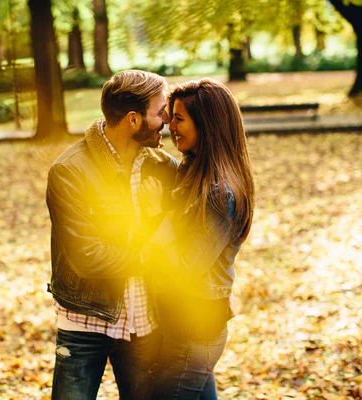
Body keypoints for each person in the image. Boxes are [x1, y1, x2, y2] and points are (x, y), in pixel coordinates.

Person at [45, 70, 178, 400]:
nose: (167, 119)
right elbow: (87, 257)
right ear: (133, 120)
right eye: (160, 110)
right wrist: (152, 251)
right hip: (84, 320)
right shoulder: (70, 171)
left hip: (145, 321)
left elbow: (181, 237)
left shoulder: (164, 167)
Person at [138, 78, 255, 400]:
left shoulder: (220, 192)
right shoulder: (191, 171)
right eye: (169, 116)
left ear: (208, 124)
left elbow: (186, 269)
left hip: (194, 330)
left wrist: (154, 216)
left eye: (179, 118)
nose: (169, 125)